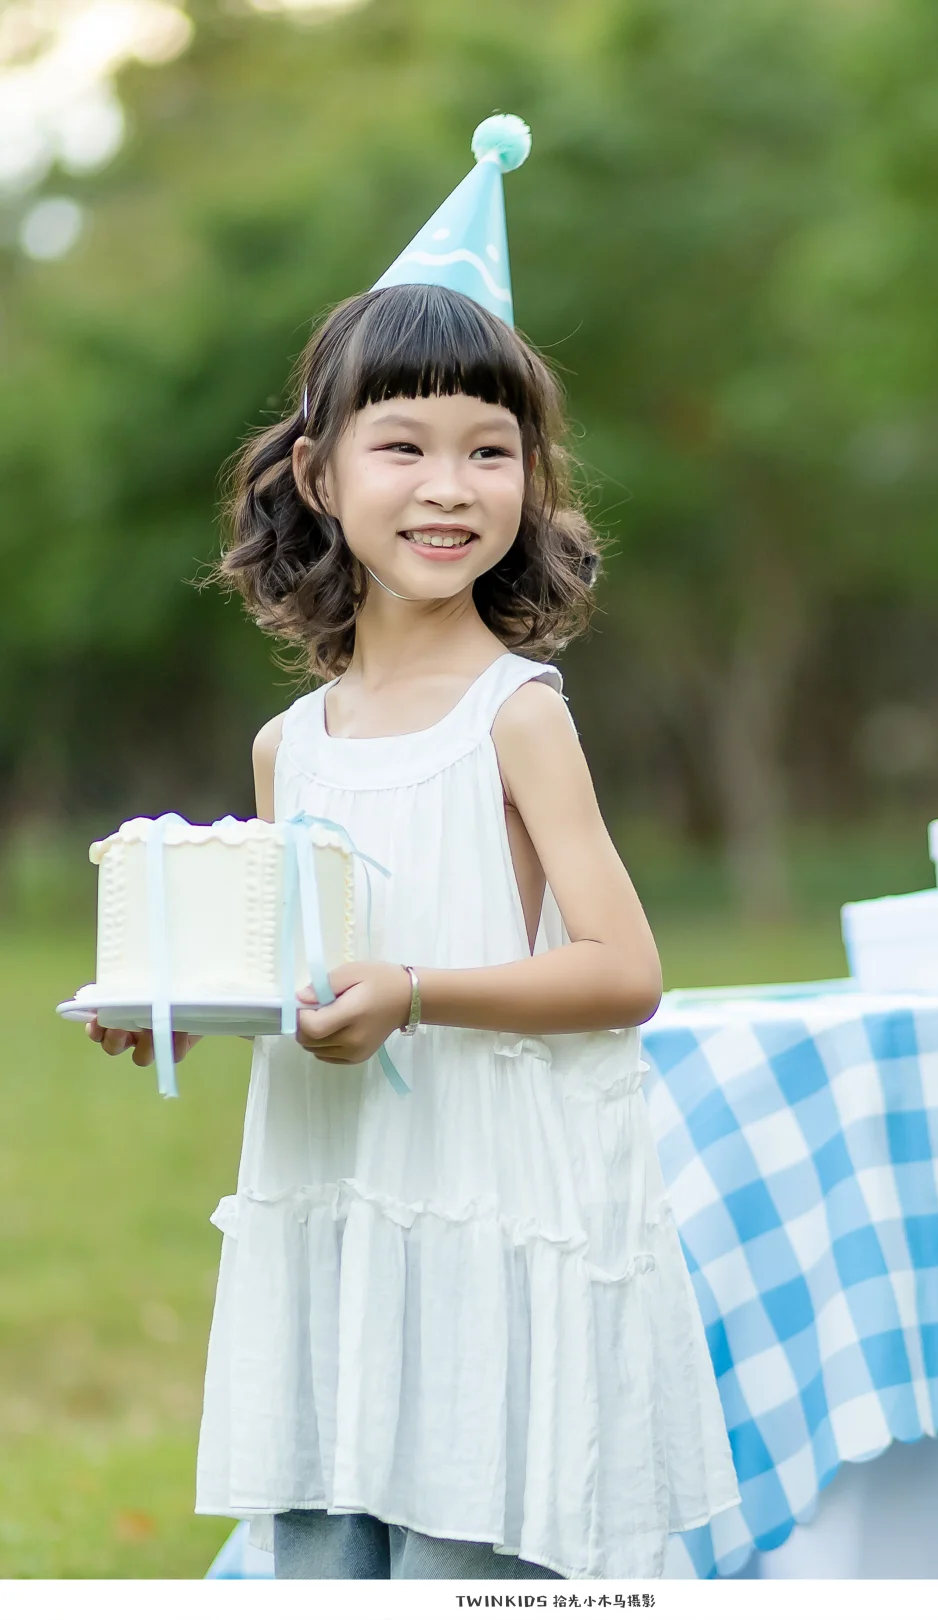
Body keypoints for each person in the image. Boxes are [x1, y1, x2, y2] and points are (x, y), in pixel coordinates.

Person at [88, 117, 739, 1580]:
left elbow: (622, 970)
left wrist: (416, 992)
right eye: (407, 446)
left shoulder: (517, 718)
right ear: (320, 476)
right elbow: (296, 970)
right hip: (338, 1205)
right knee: (324, 1549)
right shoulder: (292, 747)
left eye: (489, 451)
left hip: (488, 1206)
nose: (450, 485)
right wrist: (177, 1005)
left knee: (471, 1557)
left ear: (530, 483)